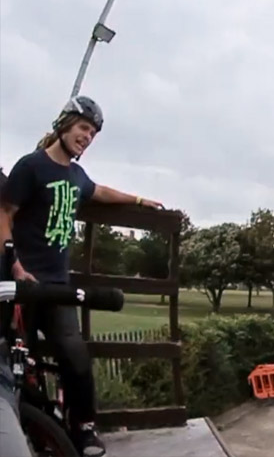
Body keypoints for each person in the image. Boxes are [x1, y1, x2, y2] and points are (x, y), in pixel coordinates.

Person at [0, 96, 163, 457]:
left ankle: (84, 429)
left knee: (74, 355)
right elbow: (5, 211)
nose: (87, 137)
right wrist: (13, 262)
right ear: (64, 126)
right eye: (83, 129)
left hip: (57, 285)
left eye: (92, 133)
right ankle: (21, 431)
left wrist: (138, 201)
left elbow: (98, 191)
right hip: (25, 283)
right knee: (14, 361)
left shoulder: (76, 175)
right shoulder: (31, 166)